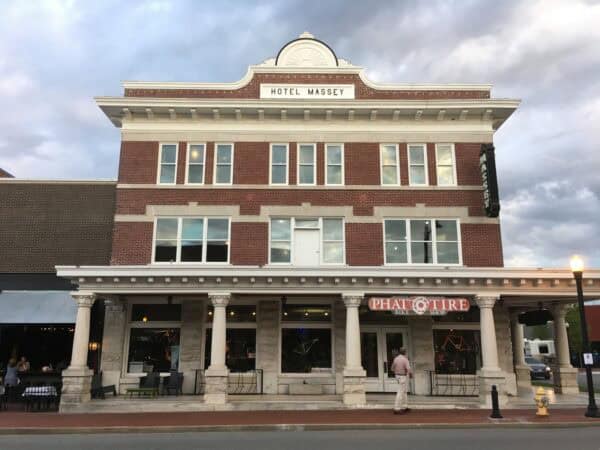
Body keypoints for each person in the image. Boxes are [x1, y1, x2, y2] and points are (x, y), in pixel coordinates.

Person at [391, 348, 412, 414]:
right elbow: (408, 369)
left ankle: (405, 406)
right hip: (403, 376)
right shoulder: (405, 359)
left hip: (397, 376)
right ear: (405, 352)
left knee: (404, 391)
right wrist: (411, 375)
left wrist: (397, 372)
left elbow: (392, 368)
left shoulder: (396, 359)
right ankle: (397, 408)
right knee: (400, 392)